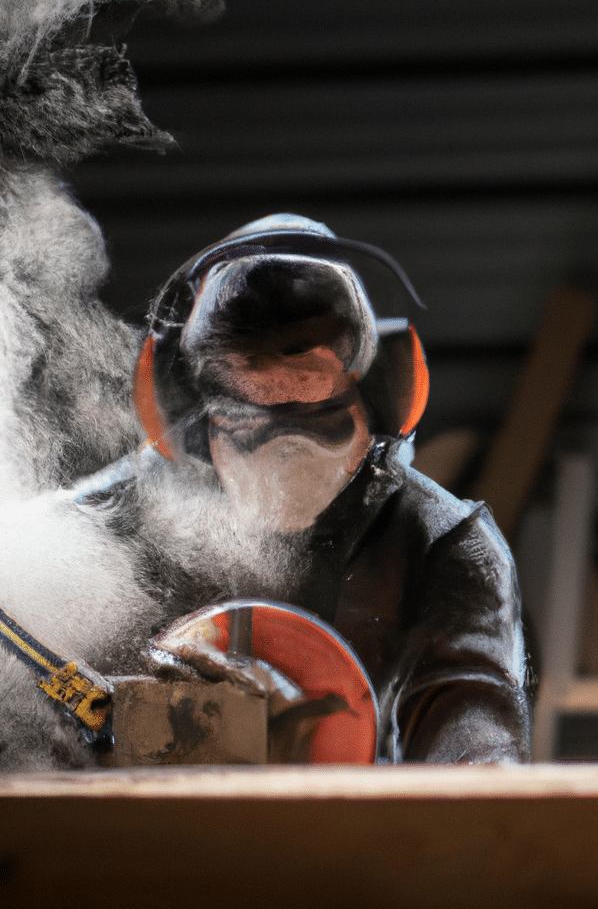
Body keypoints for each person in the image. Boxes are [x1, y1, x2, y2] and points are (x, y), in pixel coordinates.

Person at [67, 213, 531, 764]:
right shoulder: (101, 533)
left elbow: (479, 781)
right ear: (188, 418)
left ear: (381, 398)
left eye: (319, 413)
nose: (286, 452)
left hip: (356, 844)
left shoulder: (441, 546)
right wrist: (138, 733)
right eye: (248, 417)